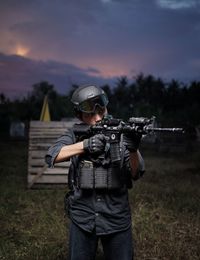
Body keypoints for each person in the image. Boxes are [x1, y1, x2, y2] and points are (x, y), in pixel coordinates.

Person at [45, 85, 145, 260]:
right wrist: (85, 145)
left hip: (116, 217)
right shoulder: (76, 134)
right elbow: (52, 156)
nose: (98, 118)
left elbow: (136, 173)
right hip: (83, 217)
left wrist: (133, 149)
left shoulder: (121, 131)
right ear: (80, 116)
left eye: (101, 111)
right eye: (90, 115)